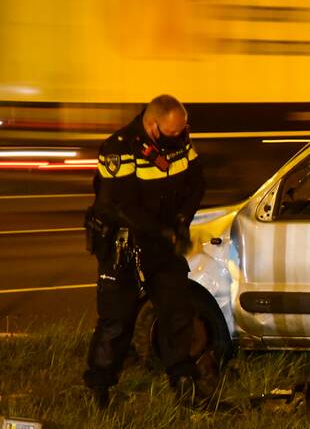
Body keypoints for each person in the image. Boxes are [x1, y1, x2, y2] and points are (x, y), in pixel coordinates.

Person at [82, 94, 213, 410]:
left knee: (176, 307)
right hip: (121, 240)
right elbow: (121, 205)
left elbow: (197, 183)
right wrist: (164, 231)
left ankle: (183, 380)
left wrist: (182, 220)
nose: (181, 137)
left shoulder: (179, 139)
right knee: (117, 318)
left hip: (160, 238)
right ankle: (99, 388)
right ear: (153, 126)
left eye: (183, 130)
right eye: (173, 132)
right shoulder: (119, 148)